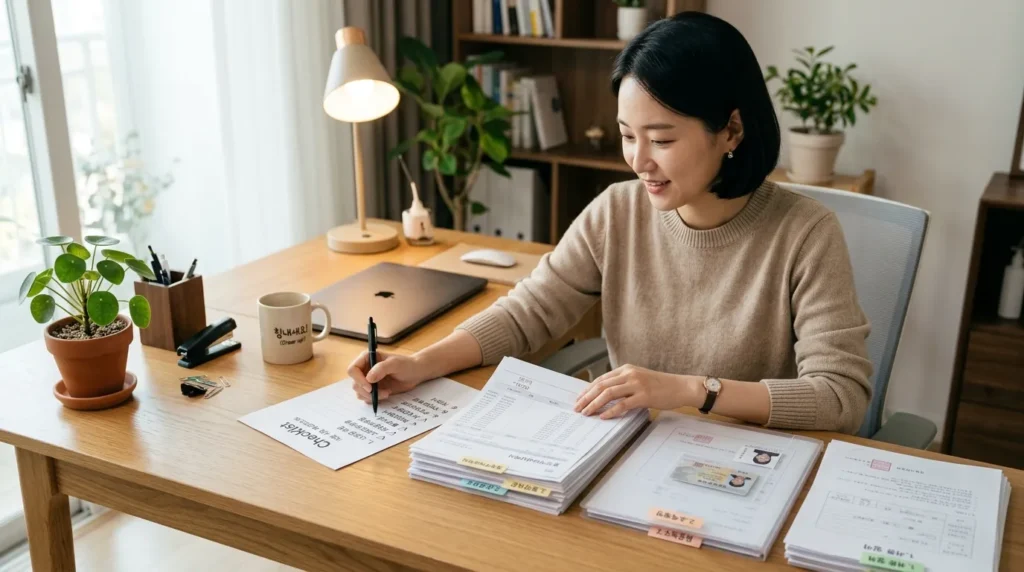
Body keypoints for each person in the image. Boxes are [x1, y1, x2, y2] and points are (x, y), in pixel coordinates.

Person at [348, 12, 873, 434]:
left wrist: (693, 390)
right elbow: (529, 313)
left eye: (662, 140)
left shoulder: (806, 233)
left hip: (744, 464)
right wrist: (421, 364)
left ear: (731, 129)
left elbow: (839, 396)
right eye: (627, 135)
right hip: (626, 445)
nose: (639, 161)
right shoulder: (617, 210)